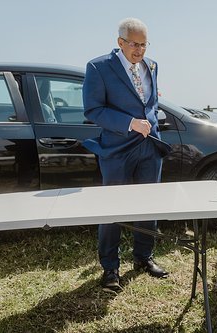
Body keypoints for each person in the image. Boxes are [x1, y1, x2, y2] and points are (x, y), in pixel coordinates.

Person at [82, 18, 168, 292]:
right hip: (117, 149)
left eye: (144, 45)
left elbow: (150, 103)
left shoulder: (152, 65)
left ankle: (144, 257)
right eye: (135, 44)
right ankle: (110, 268)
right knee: (113, 210)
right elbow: (93, 110)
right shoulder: (98, 67)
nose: (140, 50)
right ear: (120, 42)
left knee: (148, 205)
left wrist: (152, 123)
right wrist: (130, 122)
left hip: (149, 147)